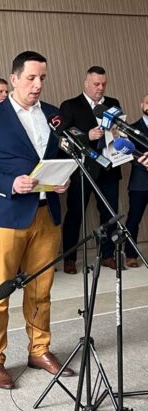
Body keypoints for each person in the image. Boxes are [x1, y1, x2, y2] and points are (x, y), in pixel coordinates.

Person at [0, 51, 74, 389]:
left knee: (41, 289)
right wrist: (9, 183)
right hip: (6, 216)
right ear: (14, 79)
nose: (37, 84)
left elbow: (60, 157)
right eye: (31, 78)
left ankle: (39, 349)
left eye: (42, 78)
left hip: (46, 214)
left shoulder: (54, 115)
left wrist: (63, 179)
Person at [60, 66, 122, 274]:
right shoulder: (70, 105)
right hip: (83, 170)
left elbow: (120, 130)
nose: (100, 88)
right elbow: (63, 138)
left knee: (110, 214)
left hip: (109, 168)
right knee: (75, 214)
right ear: (86, 84)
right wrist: (87, 136)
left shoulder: (112, 104)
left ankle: (107, 255)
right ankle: (69, 258)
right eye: (96, 84)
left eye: (103, 84)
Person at [124, 94, 148, 268]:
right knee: (134, 219)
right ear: (142, 105)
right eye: (147, 102)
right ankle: (130, 255)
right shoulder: (131, 128)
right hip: (140, 182)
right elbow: (129, 154)